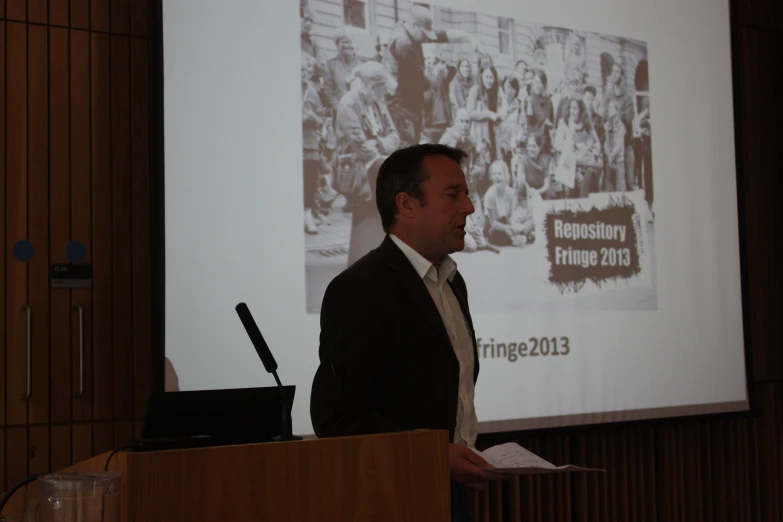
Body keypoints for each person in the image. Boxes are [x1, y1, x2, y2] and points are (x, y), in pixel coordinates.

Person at [310, 143, 494, 521]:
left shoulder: (451, 282)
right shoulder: (360, 289)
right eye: (452, 195)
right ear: (407, 205)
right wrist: (433, 455)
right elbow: (338, 417)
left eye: (467, 193)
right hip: (392, 497)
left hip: (452, 494)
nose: (469, 207)